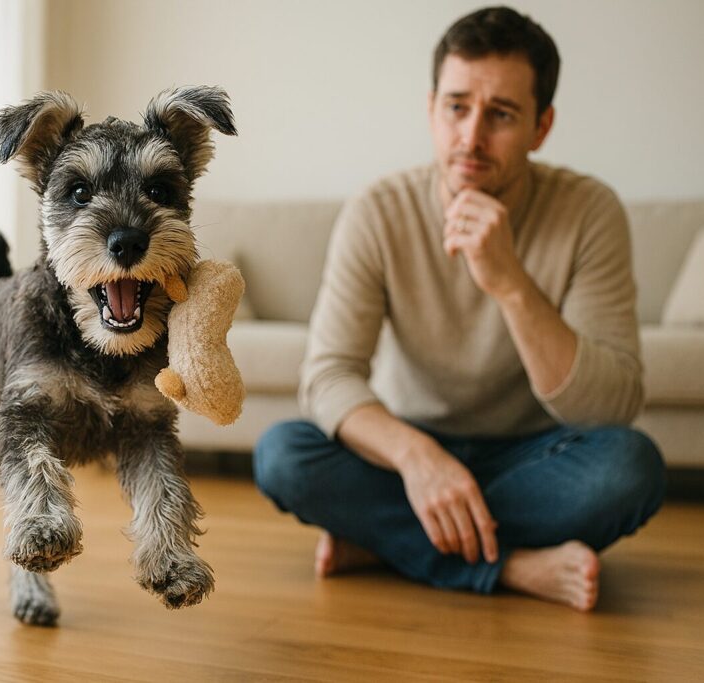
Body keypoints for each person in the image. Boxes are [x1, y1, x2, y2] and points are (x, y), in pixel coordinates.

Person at [252, 6, 665, 612]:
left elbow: (611, 404)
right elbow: (329, 376)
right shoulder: (379, 211)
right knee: (282, 454)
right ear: (430, 109)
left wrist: (511, 284)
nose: (470, 137)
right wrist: (421, 462)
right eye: (456, 107)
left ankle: (388, 543)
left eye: (500, 115)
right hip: (403, 447)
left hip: (537, 451)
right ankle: (512, 567)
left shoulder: (589, 211)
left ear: (542, 127)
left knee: (631, 468)